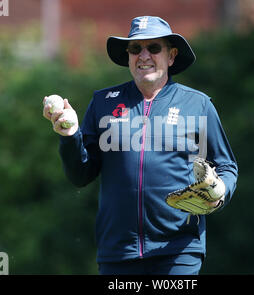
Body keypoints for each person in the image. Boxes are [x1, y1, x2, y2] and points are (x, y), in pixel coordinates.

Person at [42, 16, 238, 275]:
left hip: (179, 250)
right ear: (128, 56)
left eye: (153, 48)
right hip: (118, 252)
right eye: (135, 49)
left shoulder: (198, 105)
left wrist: (220, 192)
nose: (143, 55)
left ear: (171, 56)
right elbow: (80, 175)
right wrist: (70, 135)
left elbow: (226, 165)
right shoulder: (103, 103)